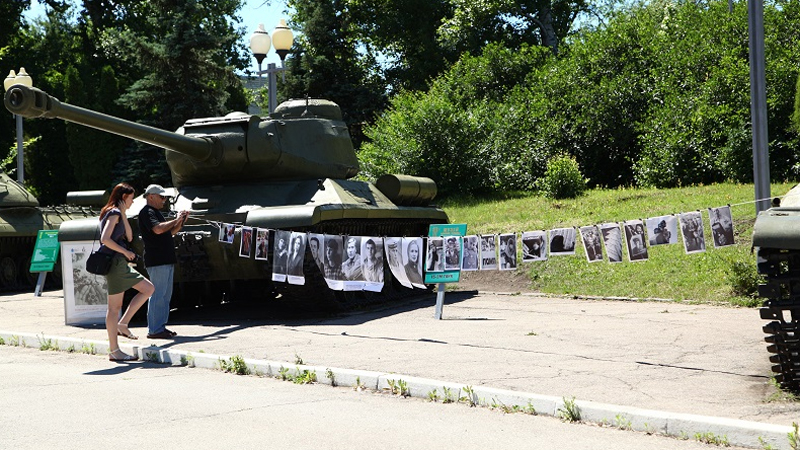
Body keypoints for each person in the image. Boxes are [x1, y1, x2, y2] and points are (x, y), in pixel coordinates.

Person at [99, 183, 155, 361]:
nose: (132, 202)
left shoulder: (117, 213)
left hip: (119, 264)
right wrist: (125, 252)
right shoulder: (113, 213)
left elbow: (129, 237)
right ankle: (114, 350)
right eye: (131, 198)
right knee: (114, 308)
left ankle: (122, 324)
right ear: (124, 198)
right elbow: (105, 239)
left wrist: (124, 214)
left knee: (148, 289)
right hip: (116, 264)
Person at [139, 184, 188, 340]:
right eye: (162, 197)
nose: (164, 200)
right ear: (151, 196)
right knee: (158, 294)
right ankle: (154, 329)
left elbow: (170, 232)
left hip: (165, 259)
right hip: (157, 260)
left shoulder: (156, 212)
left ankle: (160, 327)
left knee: (165, 295)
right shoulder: (147, 212)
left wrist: (180, 222)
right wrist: (175, 219)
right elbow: (158, 229)